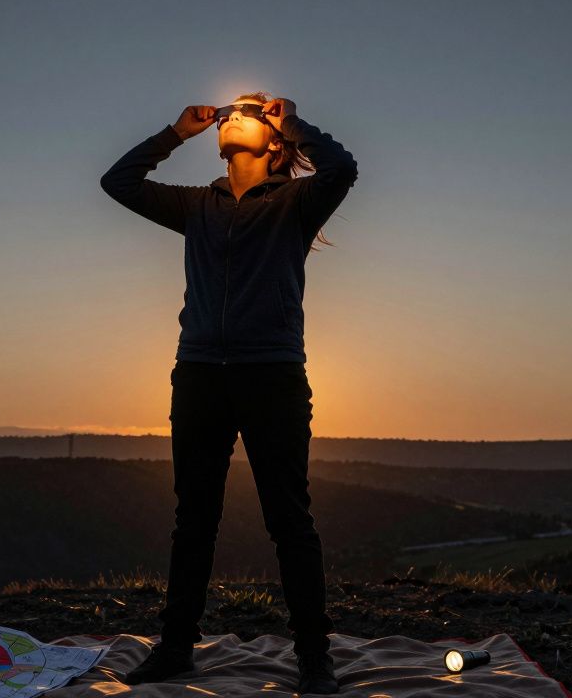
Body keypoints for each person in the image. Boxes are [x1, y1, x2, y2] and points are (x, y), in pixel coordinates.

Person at [99, 92, 358, 694]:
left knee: (289, 520)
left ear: (273, 142)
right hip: (198, 376)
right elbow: (117, 181)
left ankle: (314, 658)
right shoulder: (197, 207)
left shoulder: (297, 202)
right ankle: (175, 649)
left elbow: (342, 167)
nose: (236, 116)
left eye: (252, 113)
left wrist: (288, 117)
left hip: (272, 375)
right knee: (194, 520)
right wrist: (175, 132)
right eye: (234, 112)